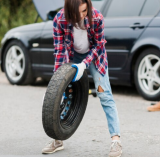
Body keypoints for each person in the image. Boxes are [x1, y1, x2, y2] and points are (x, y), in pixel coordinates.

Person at [42, 0, 122, 156]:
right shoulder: (60, 19)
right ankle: (57, 139)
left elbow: (99, 45)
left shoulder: (97, 17)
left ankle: (116, 141)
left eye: (84, 11)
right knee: (62, 95)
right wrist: (56, 84)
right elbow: (59, 51)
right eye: (76, 13)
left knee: (105, 95)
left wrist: (84, 64)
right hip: (72, 56)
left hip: (95, 56)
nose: (81, 16)